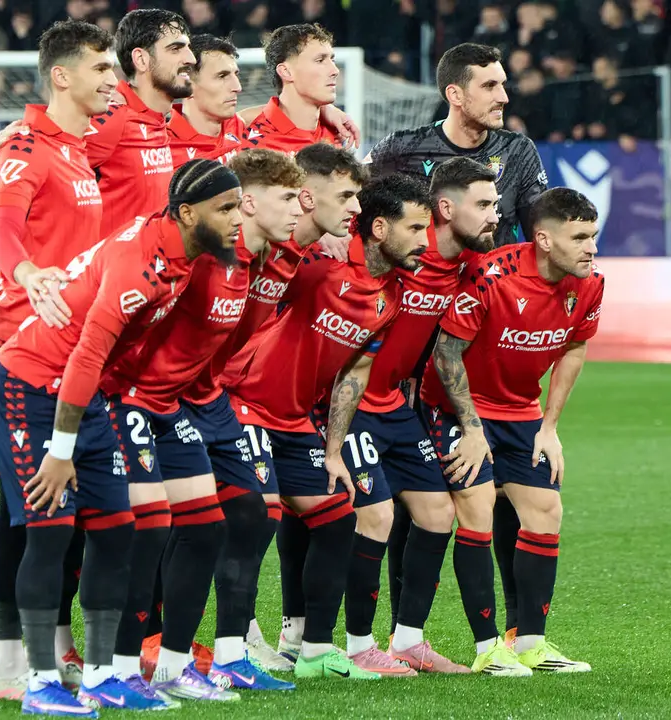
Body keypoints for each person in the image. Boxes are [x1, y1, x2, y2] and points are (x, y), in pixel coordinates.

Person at [0, 158, 246, 714]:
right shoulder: (141, 266)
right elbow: (85, 356)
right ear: (187, 213)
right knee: (50, 531)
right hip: (30, 384)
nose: (237, 219)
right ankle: (38, 683)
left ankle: (103, 676)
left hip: (86, 395)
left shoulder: (182, 253)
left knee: (115, 530)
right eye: (225, 208)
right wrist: (61, 452)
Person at [99, 149, 305, 698]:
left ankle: (215, 657)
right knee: (151, 527)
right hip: (146, 399)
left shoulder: (262, 255)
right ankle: (127, 656)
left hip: (200, 400)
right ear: (248, 203)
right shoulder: (199, 258)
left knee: (246, 513)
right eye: (288, 197)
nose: (299, 208)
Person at [225, 174, 432, 680]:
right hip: (245, 403)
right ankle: (238, 642)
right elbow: (257, 287)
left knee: (337, 517)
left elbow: (355, 373)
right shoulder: (319, 265)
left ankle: (315, 650)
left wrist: (334, 449)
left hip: (297, 420)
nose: (426, 241)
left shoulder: (390, 295)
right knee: (258, 516)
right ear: (380, 229)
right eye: (416, 228)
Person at [177, 143, 367, 674]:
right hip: (202, 398)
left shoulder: (290, 257)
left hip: (224, 398)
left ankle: (278, 648)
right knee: (200, 521)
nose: (354, 208)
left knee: (298, 516)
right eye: (344, 196)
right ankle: (169, 646)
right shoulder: (232, 253)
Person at [0, 19, 117, 704]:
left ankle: (54, 648)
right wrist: (27, 272)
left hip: (76, 348)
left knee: (74, 505)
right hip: (17, 344)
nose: (112, 80)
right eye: (101, 69)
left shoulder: (83, 146)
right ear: (62, 75)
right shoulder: (25, 147)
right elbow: (3, 225)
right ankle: (9, 661)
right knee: (26, 505)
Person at [420, 187, 604, 674]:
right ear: (544, 239)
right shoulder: (492, 275)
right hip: (460, 408)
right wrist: (471, 428)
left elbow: (575, 347)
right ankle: (488, 649)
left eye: (593, 236)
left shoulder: (589, 284)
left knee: (546, 509)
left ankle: (530, 643)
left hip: (521, 411)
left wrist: (550, 426)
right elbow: (446, 352)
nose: (591, 248)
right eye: (579, 237)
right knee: (477, 508)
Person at [332, 158, 501, 677]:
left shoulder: (464, 266)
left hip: (393, 404)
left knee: (436, 513)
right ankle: (355, 646)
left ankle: (407, 640)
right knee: (375, 516)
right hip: (350, 401)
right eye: (485, 204)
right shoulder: (389, 253)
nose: (495, 215)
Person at [366, 43, 548, 245]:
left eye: (502, 85)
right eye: (489, 86)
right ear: (455, 95)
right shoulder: (401, 147)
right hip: (423, 266)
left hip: (496, 266)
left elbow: (543, 236)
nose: (503, 97)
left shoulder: (518, 150)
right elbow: (354, 203)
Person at [85, 9, 196, 236]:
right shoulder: (112, 118)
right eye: (175, 49)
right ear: (141, 59)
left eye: (188, 47)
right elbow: (45, 155)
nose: (191, 59)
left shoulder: (159, 119)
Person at [240, 23, 345, 154]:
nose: (335, 71)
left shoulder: (336, 132)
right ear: (286, 72)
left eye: (332, 60)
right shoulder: (245, 134)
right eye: (320, 60)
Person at [167, 34, 248, 166]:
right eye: (222, 76)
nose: (238, 87)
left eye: (236, 74)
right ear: (188, 85)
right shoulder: (164, 149)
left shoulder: (236, 125)